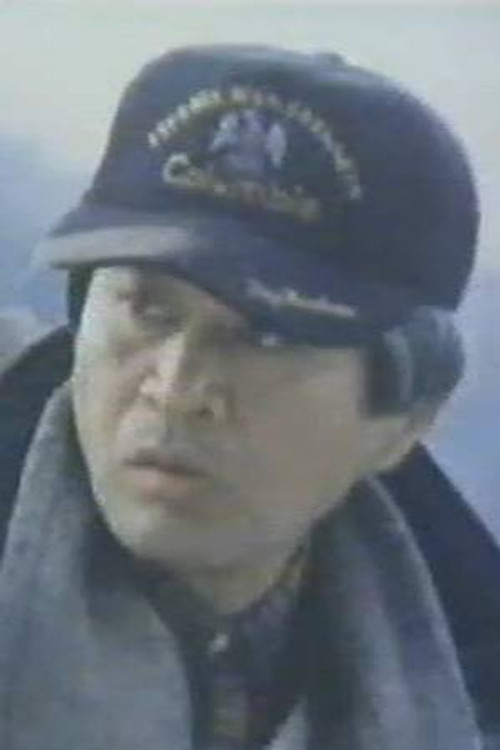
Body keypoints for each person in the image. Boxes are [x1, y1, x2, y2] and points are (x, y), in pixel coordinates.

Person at [0, 44, 498, 750]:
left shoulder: (469, 694)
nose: (177, 389)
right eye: (148, 310)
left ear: (405, 421)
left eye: (266, 337)